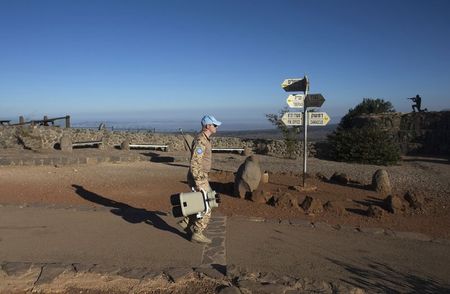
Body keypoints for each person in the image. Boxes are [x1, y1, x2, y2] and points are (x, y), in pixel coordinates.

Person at [178, 115, 222, 244]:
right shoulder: (201, 140)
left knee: (200, 201)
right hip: (199, 176)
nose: (216, 127)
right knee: (208, 204)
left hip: (200, 175)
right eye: (214, 125)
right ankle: (197, 232)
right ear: (208, 126)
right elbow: (195, 162)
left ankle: (186, 222)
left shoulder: (204, 139)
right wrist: (198, 182)